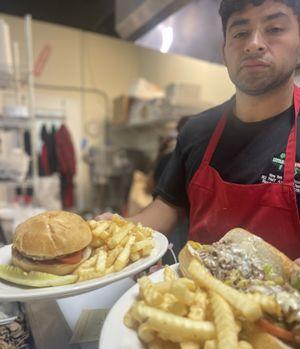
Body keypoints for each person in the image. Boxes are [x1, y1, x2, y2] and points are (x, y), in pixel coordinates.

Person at [99, 0, 300, 263]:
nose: (254, 43)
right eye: (240, 33)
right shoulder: (198, 130)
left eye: (274, 29)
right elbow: (168, 208)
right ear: (224, 51)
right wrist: (119, 229)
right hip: (201, 297)